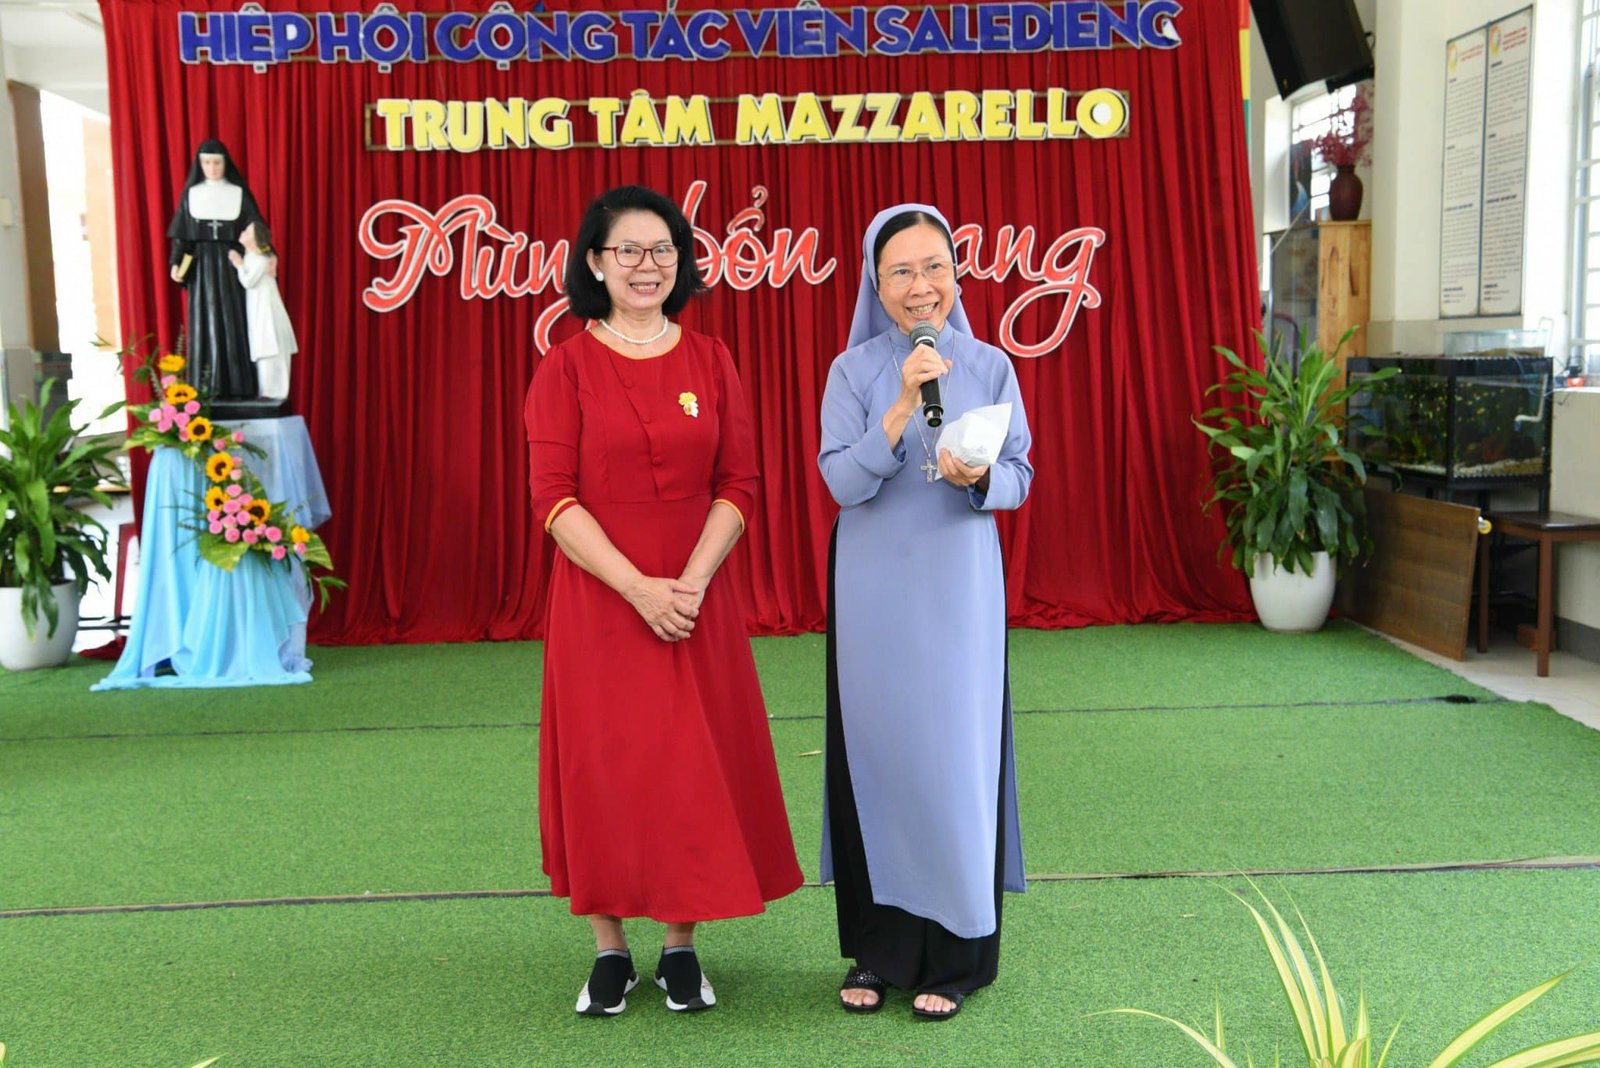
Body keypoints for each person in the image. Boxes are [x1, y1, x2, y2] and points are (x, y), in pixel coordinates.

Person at [524, 185, 803, 1018]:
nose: (647, 266)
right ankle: (609, 949)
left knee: (691, 766)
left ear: (681, 262)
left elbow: (739, 482)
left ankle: (681, 944)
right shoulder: (565, 366)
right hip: (602, 600)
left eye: (663, 250)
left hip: (695, 598)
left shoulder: (712, 360)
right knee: (604, 766)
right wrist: (637, 587)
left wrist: (690, 581)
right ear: (595, 263)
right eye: (629, 251)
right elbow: (552, 497)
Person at [817, 204, 1033, 1021]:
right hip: (873, 592)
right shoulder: (853, 372)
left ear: (956, 276)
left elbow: (1020, 474)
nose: (921, 286)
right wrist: (902, 406)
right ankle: (880, 951)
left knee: (955, 763)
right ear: (875, 284)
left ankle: (958, 957)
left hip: (959, 590)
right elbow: (842, 482)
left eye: (935, 267)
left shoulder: (990, 366)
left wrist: (982, 479)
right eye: (901, 271)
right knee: (881, 757)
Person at [167, 139, 265, 404]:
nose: (212, 168)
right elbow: (182, 238)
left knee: (235, 323)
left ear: (225, 163)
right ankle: (205, 386)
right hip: (200, 270)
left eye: (217, 163)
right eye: (207, 163)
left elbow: (257, 232)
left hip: (233, 266)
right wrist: (176, 262)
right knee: (203, 323)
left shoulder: (239, 194)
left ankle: (239, 386)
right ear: (200, 165)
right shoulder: (191, 194)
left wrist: (267, 256)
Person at [229, 222, 297, 402]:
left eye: (247, 231)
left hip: (266, 309)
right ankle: (267, 389)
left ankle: (273, 391)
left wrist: (238, 264)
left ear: (255, 239)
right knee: (264, 348)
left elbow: (248, 281)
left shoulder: (260, 260)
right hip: (259, 306)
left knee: (270, 345)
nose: (243, 232)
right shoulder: (254, 257)